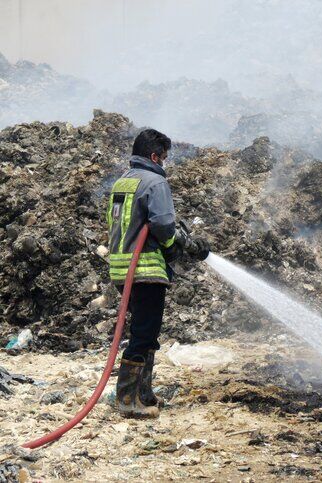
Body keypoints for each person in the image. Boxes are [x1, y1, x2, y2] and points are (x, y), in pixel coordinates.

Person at [106, 129, 210, 418]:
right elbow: (164, 226)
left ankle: (143, 393)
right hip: (146, 269)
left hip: (121, 269)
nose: (164, 163)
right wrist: (185, 244)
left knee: (145, 331)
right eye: (163, 157)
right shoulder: (155, 182)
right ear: (154, 156)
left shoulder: (122, 183)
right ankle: (128, 400)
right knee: (144, 333)